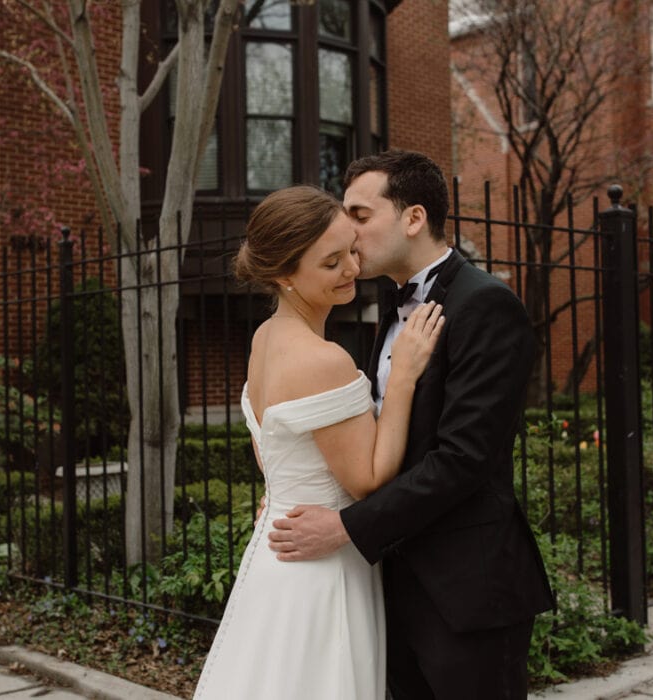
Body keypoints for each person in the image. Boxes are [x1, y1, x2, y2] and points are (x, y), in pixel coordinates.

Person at [268, 150, 554, 699]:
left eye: (359, 214)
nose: (345, 231)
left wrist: (347, 527)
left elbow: (464, 459)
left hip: (465, 590)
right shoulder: (383, 301)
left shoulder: (487, 305)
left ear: (414, 218)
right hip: (389, 586)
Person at [192, 185, 445, 699]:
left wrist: (282, 494)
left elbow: (271, 452)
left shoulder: (265, 338)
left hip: (274, 557)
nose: (352, 268)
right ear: (285, 275)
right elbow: (369, 479)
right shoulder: (321, 359)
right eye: (332, 263)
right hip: (321, 570)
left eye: (352, 249)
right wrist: (402, 380)